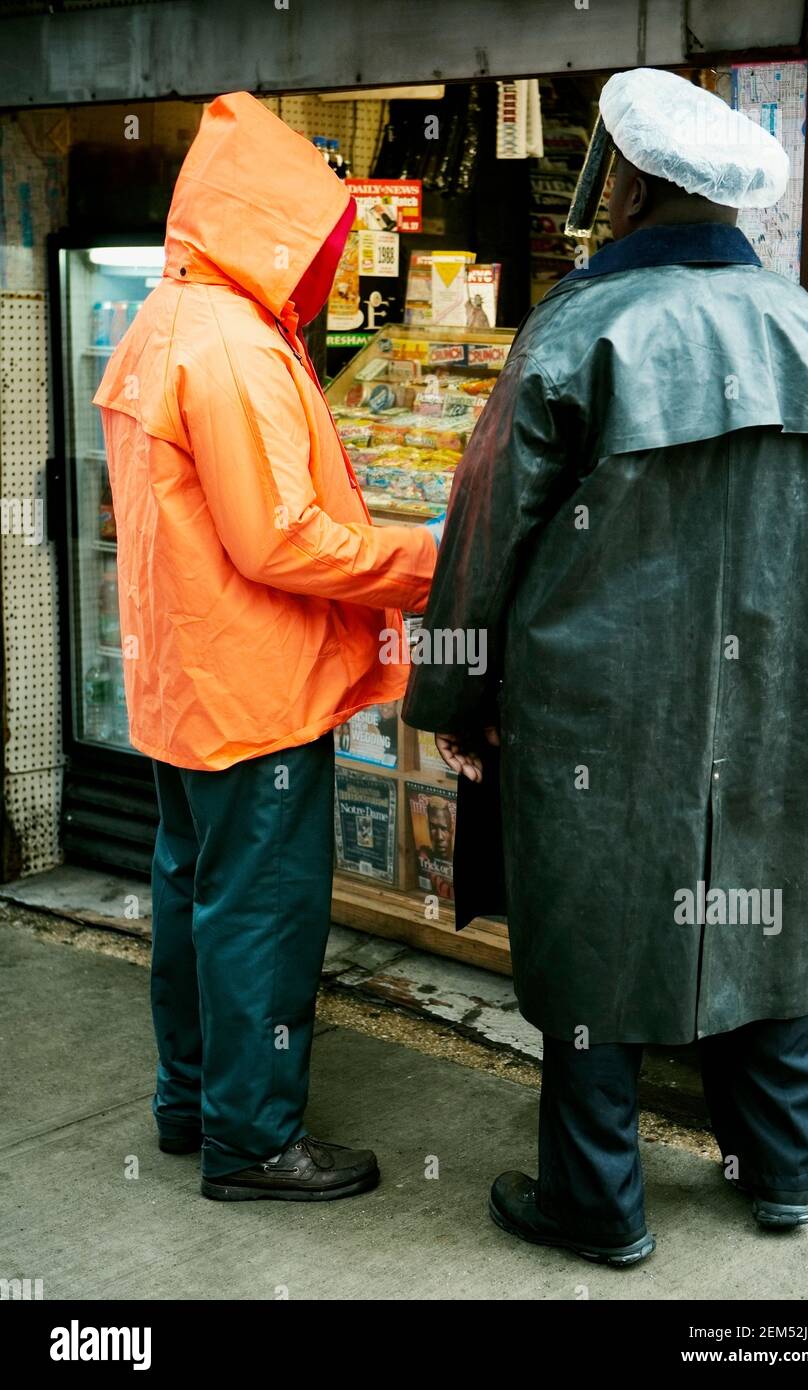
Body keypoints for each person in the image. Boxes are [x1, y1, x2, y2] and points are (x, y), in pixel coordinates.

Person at [402, 67, 808, 1265]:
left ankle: (597, 1207)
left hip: (592, 716)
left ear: (632, 186)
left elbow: (483, 529)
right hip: (775, 702)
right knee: (761, 916)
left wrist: (450, 691)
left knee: (591, 944)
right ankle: (777, 1175)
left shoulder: (576, 328)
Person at [94, 92, 441, 1202]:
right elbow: (281, 537)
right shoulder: (235, 347)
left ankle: (193, 1105)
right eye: (318, 244)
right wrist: (422, 562)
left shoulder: (162, 323)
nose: (324, 270)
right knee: (261, 920)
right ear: (269, 230)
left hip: (183, 685)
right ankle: (254, 1141)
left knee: (195, 902)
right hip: (256, 693)